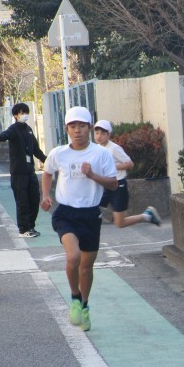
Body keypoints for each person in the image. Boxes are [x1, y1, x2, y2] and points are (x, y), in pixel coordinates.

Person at [40, 107, 117, 331]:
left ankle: (84, 305)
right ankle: (75, 297)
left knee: (86, 267)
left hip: (90, 215)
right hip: (65, 213)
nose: (77, 131)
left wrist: (92, 175)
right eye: (73, 126)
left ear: (90, 128)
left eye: (82, 126)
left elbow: (113, 184)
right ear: (67, 129)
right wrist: (46, 195)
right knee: (73, 256)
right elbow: (47, 172)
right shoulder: (59, 153)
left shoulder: (101, 154)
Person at [93, 120, 161, 227]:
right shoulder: (97, 148)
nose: (99, 136)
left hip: (118, 186)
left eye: (102, 133)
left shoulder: (114, 148)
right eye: (97, 133)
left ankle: (147, 215)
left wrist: (113, 167)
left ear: (109, 135)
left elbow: (130, 164)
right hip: (106, 186)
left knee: (120, 223)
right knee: (92, 207)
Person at [0, 103, 47, 238]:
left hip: (30, 171)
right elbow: (5, 134)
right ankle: (23, 229)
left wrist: (47, 161)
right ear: (15, 115)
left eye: (26, 112)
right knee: (22, 202)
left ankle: (31, 226)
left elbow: (36, 149)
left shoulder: (28, 129)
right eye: (21, 113)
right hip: (18, 172)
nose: (25, 115)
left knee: (34, 199)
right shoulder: (13, 129)